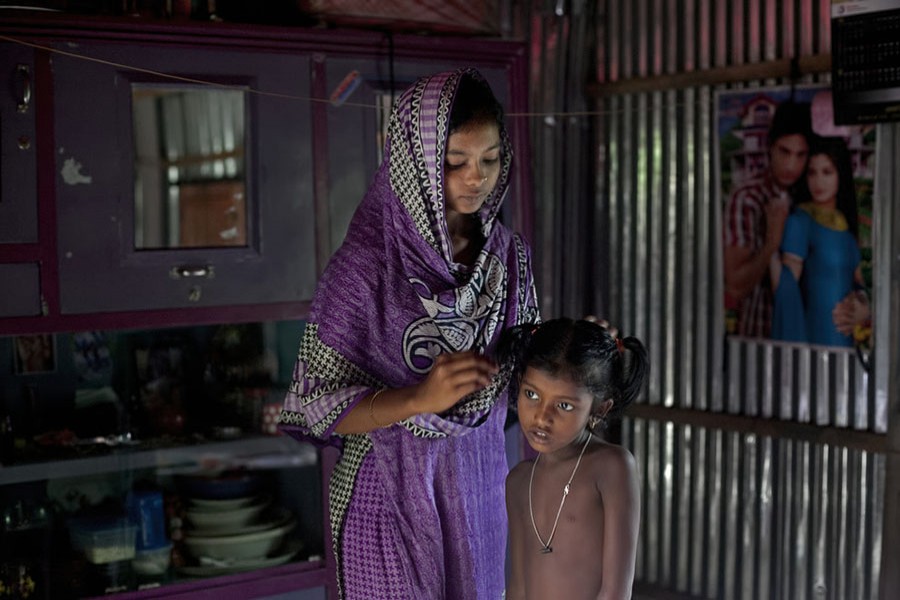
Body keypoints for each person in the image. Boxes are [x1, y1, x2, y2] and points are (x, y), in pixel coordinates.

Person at [278, 68, 540, 599]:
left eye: (490, 160)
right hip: (387, 496)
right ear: (415, 164)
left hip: (476, 488)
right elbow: (312, 405)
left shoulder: (508, 257)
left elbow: (524, 373)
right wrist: (419, 398)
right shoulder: (365, 267)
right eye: (455, 163)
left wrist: (578, 350)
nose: (476, 178)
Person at [500, 318, 649, 600]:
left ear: (600, 409)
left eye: (565, 405)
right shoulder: (518, 481)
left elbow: (616, 591)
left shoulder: (611, 467)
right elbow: (518, 587)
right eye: (532, 394)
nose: (542, 417)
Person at [723, 100, 812, 338]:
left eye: (800, 155)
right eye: (784, 151)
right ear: (770, 147)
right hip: (760, 339)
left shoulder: (811, 196)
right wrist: (771, 243)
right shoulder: (748, 197)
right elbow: (735, 286)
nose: (791, 164)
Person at [771, 135, 868, 347]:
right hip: (812, 345)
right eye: (812, 173)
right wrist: (770, 245)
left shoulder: (847, 227)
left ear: (840, 175)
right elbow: (787, 289)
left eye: (827, 172)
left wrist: (863, 306)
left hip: (847, 345)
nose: (818, 182)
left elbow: (861, 284)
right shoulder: (799, 222)